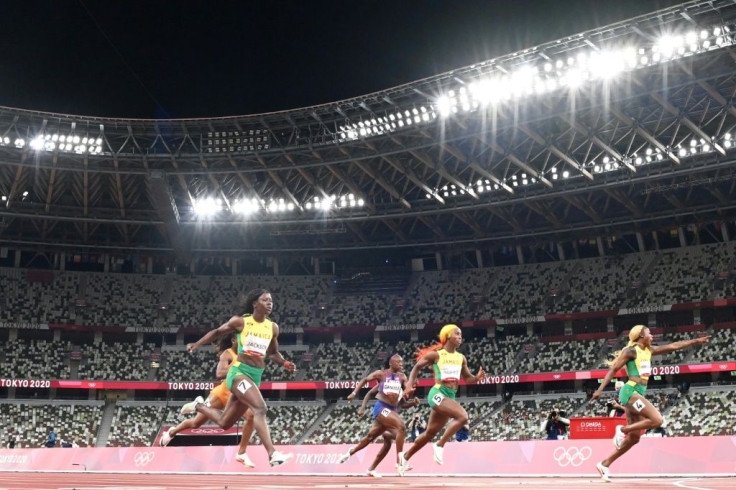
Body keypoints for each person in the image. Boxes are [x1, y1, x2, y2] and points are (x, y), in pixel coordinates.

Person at [181, 288, 296, 467]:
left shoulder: (272, 327)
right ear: (254, 304)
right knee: (260, 409)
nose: (270, 303)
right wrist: (196, 344)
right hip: (238, 374)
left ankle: (198, 405)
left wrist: (284, 363)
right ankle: (272, 454)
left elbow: (273, 353)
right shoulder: (241, 322)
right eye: (265, 300)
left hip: (255, 377)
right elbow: (218, 332)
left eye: (271, 300)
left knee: (224, 423)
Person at [590, 325, 710, 482]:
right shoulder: (631, 351)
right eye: (649, 333)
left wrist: (695, 341)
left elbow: (673, 346)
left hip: (638, 394)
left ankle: (604, 464)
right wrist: (600, 390)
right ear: (641, 335)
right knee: (658, 420)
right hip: (630, 392)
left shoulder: (649, 350)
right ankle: (622, 429)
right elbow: (613, 370)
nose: (652, 336)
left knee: (634, 439)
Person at [161, 333, 257, 467]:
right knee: (195, 423)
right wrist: (236, 365)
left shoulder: (247, 355)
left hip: (236, 394)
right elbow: (219, 374)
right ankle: (172, 432)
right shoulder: (227, 354)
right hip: (221, 393)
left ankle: (242, 452)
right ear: (234, 340)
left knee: (251, 416)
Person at [400, 324, 486, 470]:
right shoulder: (437, 355)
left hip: (450, 397)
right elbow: (416, 367)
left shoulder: (461, 358)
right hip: (437, 393)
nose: (460, 337)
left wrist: (477, 378)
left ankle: (404, 458)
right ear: (447, 336)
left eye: (461, 334)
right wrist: (409, 383)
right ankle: (440, 445)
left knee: (429, 433)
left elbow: (467, 379)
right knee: (463, 417)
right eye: (457, 334)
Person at [339, 354, 418, 477]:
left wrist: (413, 400)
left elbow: (404, 401)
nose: (402, 364)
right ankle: (400, 462)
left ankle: (354, 455)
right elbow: (365, 381)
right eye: (399, 362)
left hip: (392, 411)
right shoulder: (381, 374)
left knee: (374, 438)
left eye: (402, 362)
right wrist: (354, 394)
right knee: (401, 427)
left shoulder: (402, 378)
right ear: (391, 363)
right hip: (381, 408)